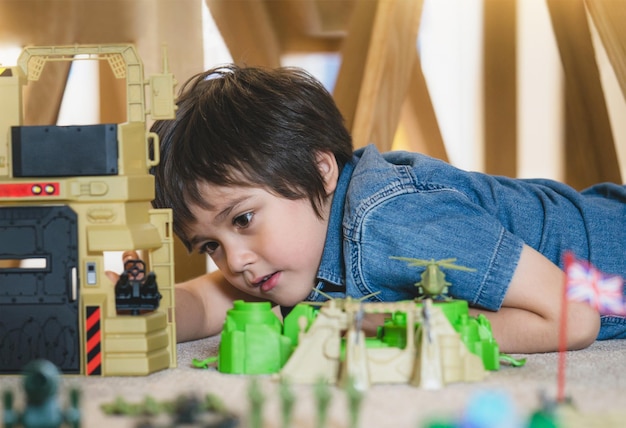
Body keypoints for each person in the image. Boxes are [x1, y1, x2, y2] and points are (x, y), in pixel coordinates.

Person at [143, 64, 626, 354]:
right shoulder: (293, 249)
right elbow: (208, 304)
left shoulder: (391, 221)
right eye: (210, 245)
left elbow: (573, 319)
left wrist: (379, 327)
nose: (235, 262)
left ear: (322, 170)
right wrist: (131, 311)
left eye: (243, 220)